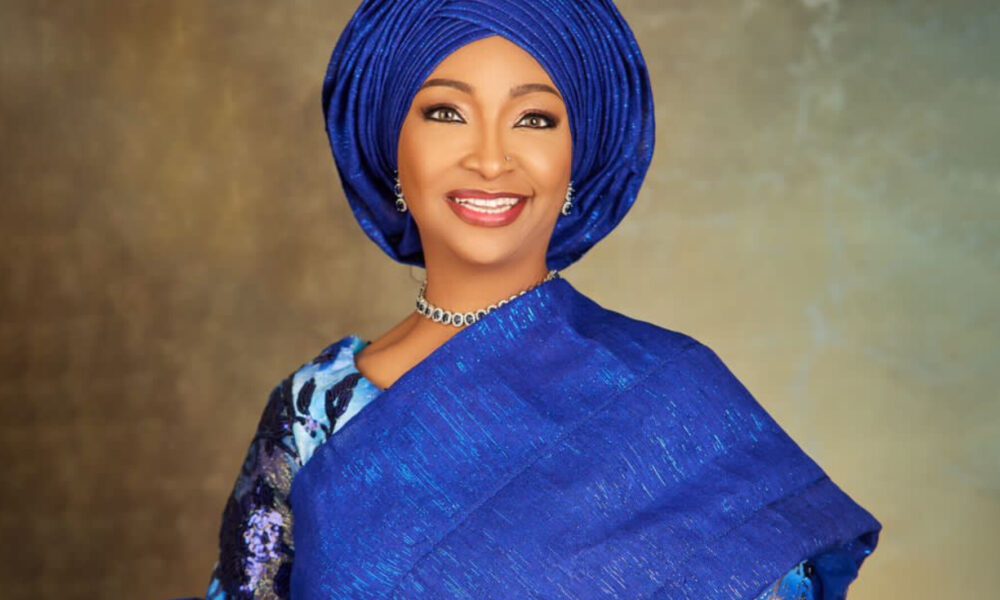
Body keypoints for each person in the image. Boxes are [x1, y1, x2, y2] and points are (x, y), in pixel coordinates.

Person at [203, 1, 881, 598]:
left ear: (577, 159)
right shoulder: (314, 409)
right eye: (446, 113)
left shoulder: (671, 396)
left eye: (534, 118)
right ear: (390, 149)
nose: (491, 159)